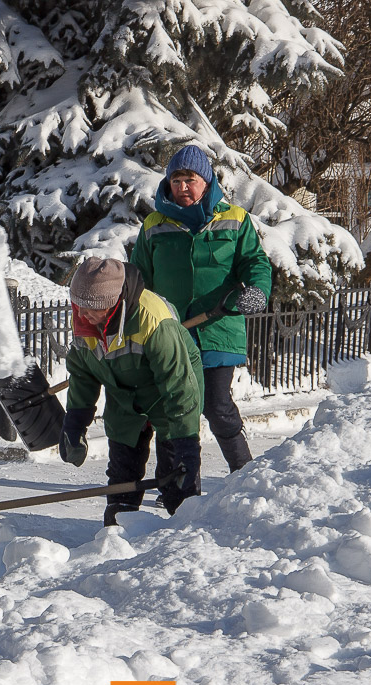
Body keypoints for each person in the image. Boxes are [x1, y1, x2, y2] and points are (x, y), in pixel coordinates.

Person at [131, 144, 273, 472]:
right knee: (175, 409)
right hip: (171, 333)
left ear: (206, 182)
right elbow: (138, 277)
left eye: (190, 179)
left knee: (217, 405)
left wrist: (256, 292)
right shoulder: (155, 224)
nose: (182, 187)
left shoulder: (235, 220)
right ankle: (178, 483)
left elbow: (255, 263)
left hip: (218, 328)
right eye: (176, 180)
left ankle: (245, 474)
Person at [59, 257, 204, 527]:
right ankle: (117, 531)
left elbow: (179, 386)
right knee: (122, 473)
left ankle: (185, 533)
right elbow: (82, 372)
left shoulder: (154, 321)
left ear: (111, 303)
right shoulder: (85, 320)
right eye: (78, 305)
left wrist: (188, 448)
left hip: (170, 394)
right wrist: (75, 423)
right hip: (123, 395)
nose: (81, 314)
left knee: (175, 475)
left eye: (89, 308)